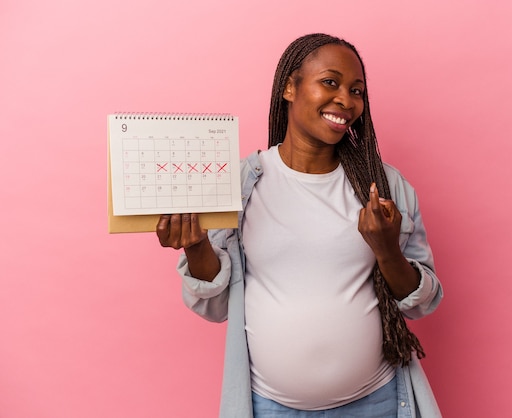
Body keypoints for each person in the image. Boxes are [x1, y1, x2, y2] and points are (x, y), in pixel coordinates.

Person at [157, 33, 443, 418]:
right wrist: (195, 248)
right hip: (270, 407)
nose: (346, 99)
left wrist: (387, 249)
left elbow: (421, 303)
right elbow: (217, 306)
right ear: (289, 87)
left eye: (356, 90)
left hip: (377, 401)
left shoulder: (384, 187)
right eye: (330, 82)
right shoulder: (239, 186)